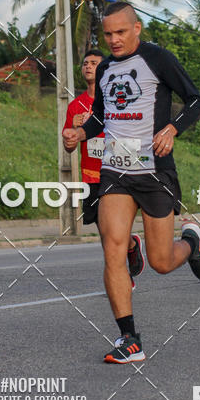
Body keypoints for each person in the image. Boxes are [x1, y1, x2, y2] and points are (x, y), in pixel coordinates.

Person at [62, 2, 200, 363]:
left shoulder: (158, 58)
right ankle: (129, 339)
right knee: (111, 246)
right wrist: (81, 131)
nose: (113, 40)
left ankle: (191, 243)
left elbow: (195, 101)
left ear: (137, 28)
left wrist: (172, 128)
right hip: (115, 171)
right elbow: (101, 112)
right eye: (107, 34)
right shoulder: (107, 67)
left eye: (120, 32)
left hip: (154, 171)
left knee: (161, 261)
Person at [63, 49, 145, 287]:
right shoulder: (75, 105)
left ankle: (122, 269)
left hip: (116, 172)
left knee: (113, 230)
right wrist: (74, 132)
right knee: (104, 232)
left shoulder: (119, 96)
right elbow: (68, 147)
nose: (88, 66)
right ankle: (127, 253)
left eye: (95, 63)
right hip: (90, 176)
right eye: (85, 63)